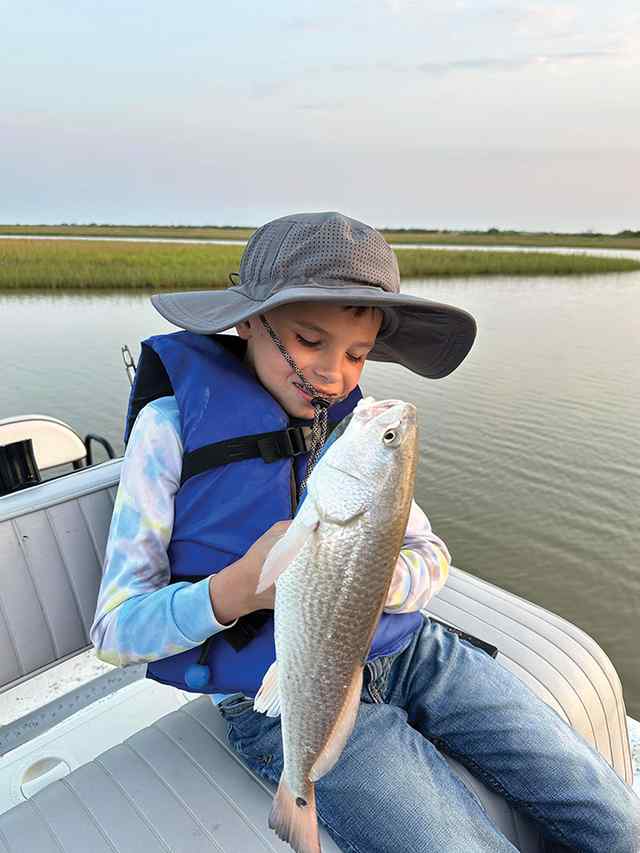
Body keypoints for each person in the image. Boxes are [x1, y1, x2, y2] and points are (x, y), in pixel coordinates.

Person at [91, 211, 640, 853]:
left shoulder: (361, 432)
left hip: (414, 655)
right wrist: (237, 589)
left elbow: (430, 554)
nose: (333, 373)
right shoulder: (169, 429)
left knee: (608, 812)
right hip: (282, 696)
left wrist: (370, 581)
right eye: (307, 339)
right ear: (247, 321)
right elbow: (114, 631)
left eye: (357, 354)